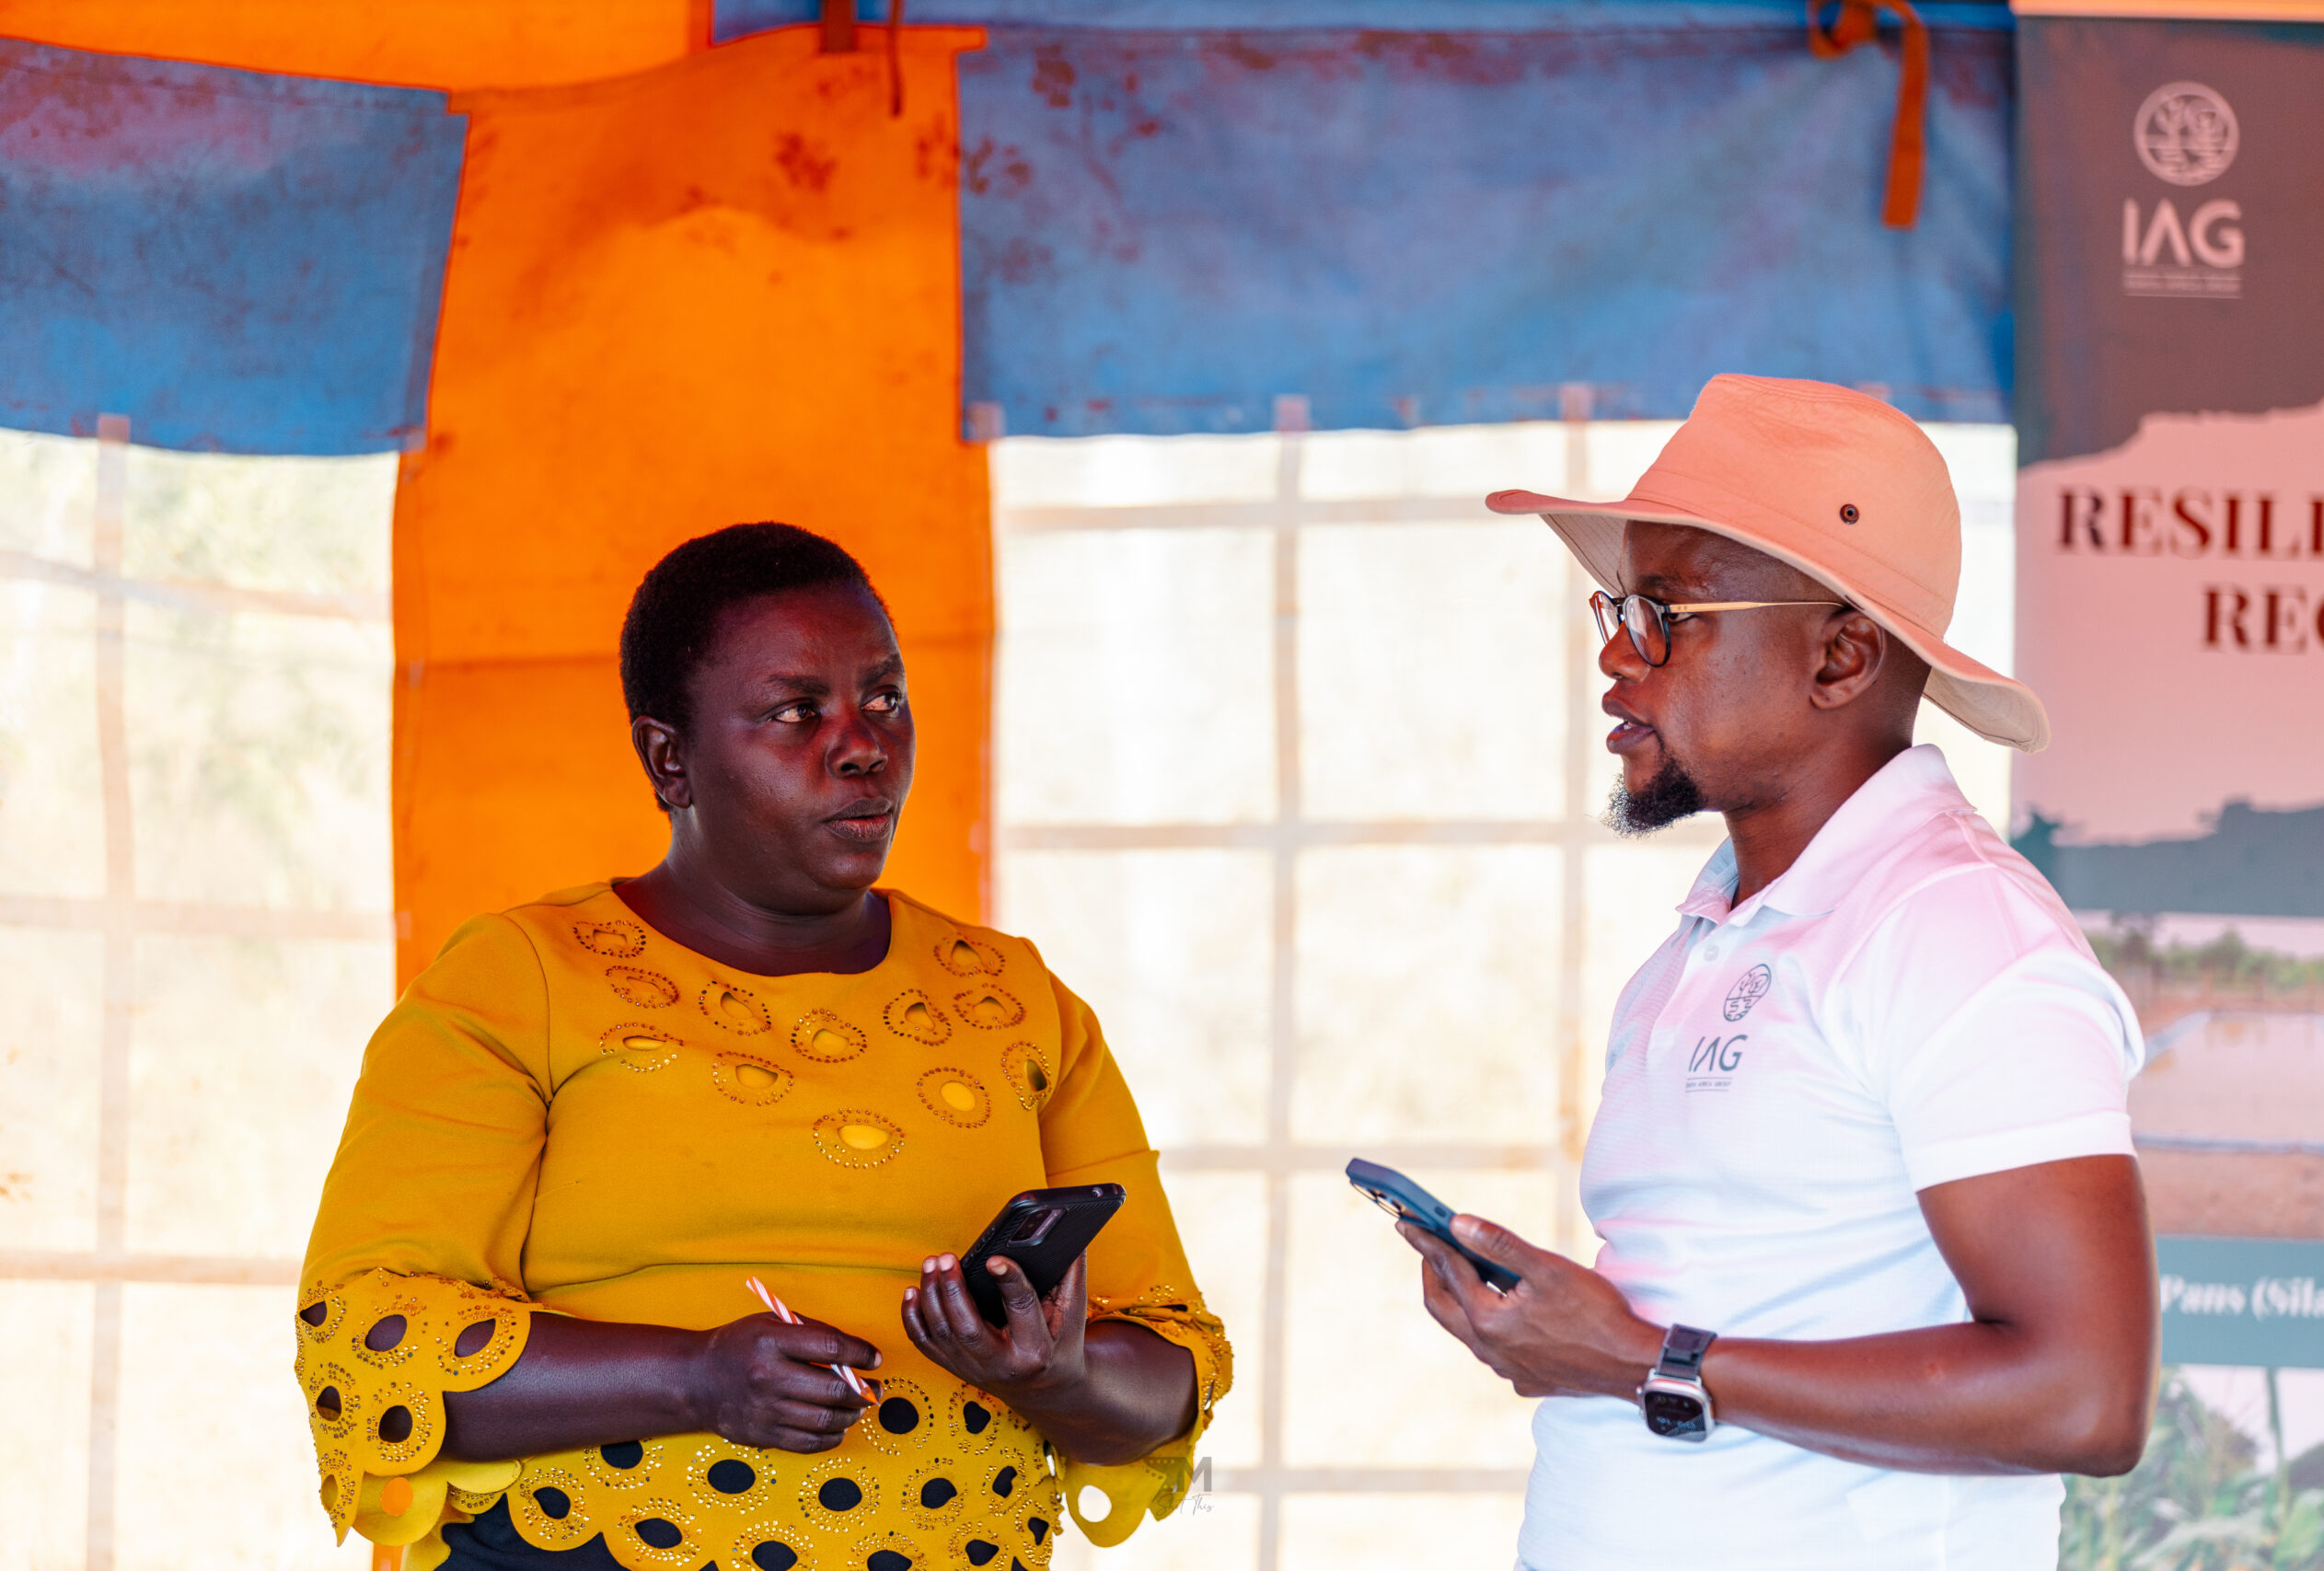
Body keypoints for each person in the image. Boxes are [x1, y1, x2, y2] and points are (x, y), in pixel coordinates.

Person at [295, 524, 1229, 1571]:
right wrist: (696, 1380)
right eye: (797, 712)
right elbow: (367, 1338)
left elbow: (1171, 1368)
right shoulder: (519, 980)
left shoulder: (1018, 1000)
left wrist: (1051, 1377)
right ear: (670, 760)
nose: (862, 742)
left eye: (884, 697)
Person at [1407, 375, 2154, 1570]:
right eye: (1614, 603)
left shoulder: (1956, 927)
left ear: (1842, 653)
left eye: (1667, 611)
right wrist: (1592, 1340)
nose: (1614, 651)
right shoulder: (1703, 939)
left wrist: (1646, 1359)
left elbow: (2083, 1394)